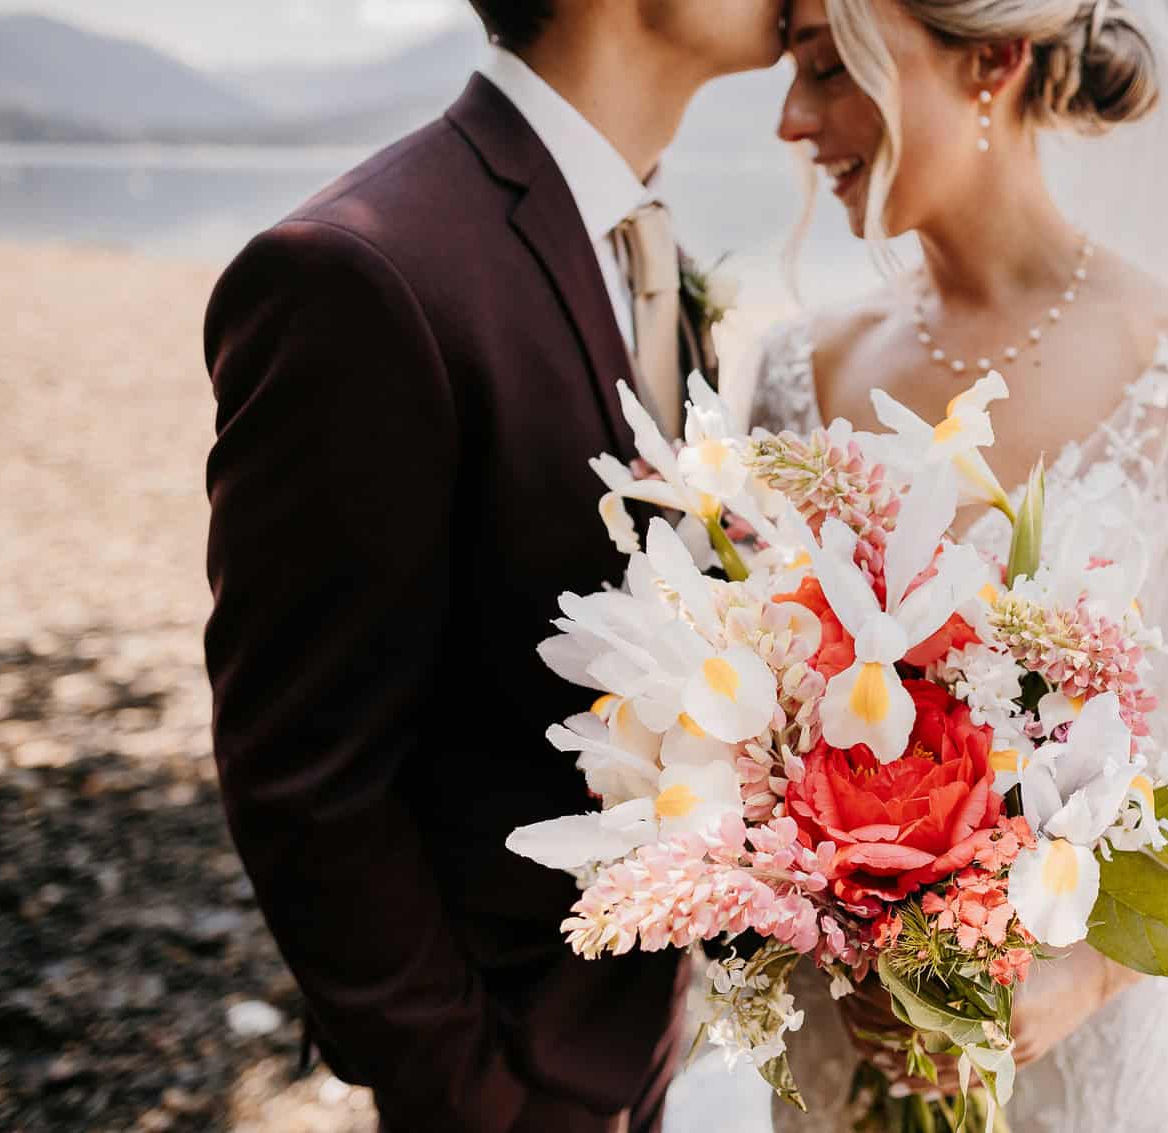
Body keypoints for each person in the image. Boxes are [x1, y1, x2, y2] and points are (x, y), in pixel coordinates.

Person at [748, 0, 1168, 1129]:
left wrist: (1088, 973)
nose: (792, 122)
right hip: (843, 1021)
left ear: (991, 63)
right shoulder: (797, 372)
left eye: (828, 68)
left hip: (1095, 1051)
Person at [200, 3, 782, 1130]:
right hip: (510, 1066)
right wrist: (474, 1091)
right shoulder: (364, 270)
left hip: (630, 1033)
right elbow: (303, 773)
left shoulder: (632, 237)